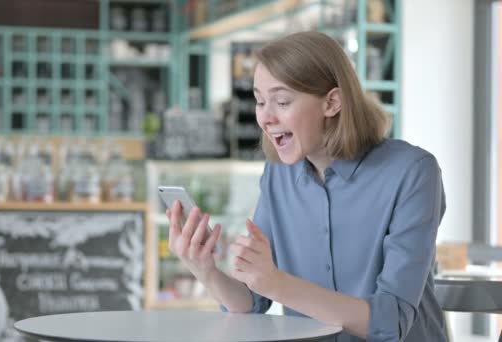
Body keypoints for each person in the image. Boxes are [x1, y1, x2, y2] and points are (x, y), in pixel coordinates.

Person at [166, 31, 447, 342]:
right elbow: (251, 301)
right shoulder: (278, 174)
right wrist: (206, 270)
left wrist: (277, 284)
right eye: (260, 101)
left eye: (282, 101)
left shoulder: (413, 172)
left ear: (332, 102)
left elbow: (390, 321)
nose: (266, 117)